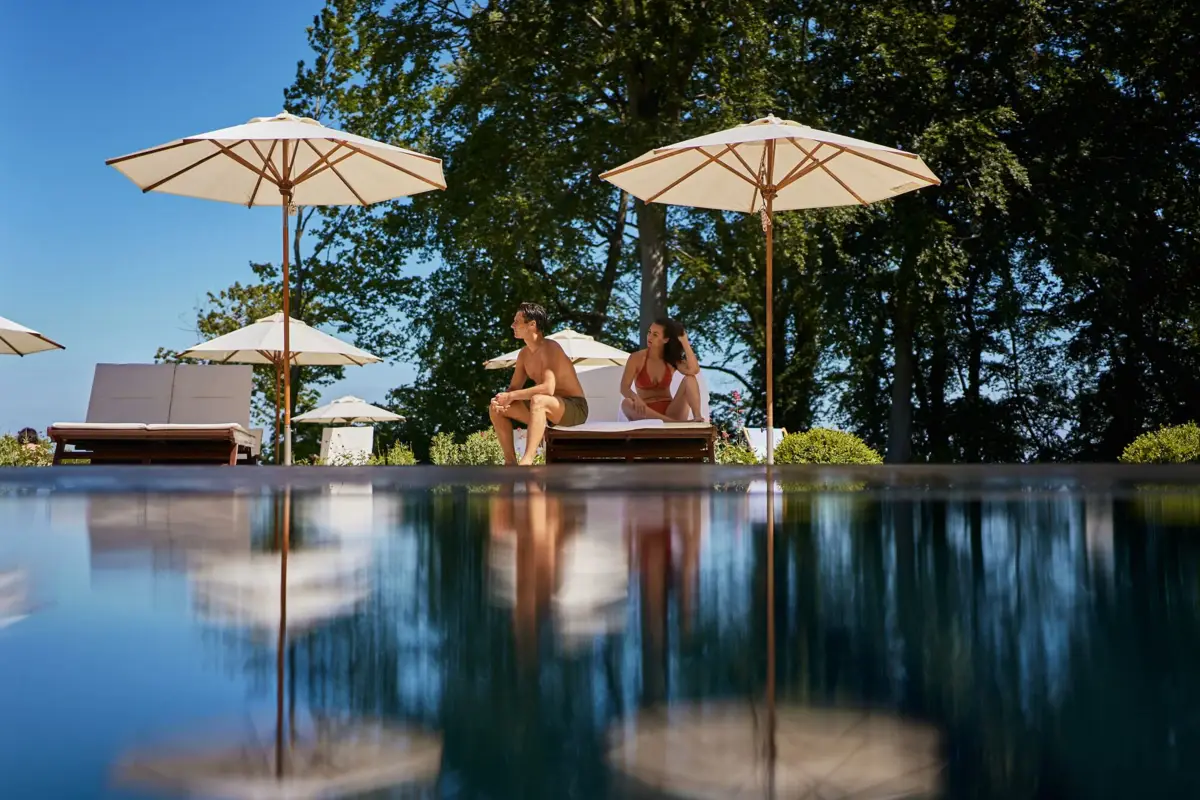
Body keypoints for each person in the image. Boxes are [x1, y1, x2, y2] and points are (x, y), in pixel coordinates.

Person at [489, 302, 589, 466]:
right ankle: (510, 463)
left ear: (532, 325)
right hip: (545, 411)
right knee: (496, 408)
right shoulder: (523, 354)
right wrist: (502, 398)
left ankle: (527, 461)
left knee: (538, 400)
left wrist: (512, 395)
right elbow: (513, 388)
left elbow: (548, 388)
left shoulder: (551, 348)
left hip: (574, 408)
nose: (512, 325)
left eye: (517, 321)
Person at [619, 318, 703, 421]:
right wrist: (636, 398)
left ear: (665, 339)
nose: (649, 337)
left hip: (671, 412)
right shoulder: (637, 358)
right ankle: (672, 424)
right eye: (649, 332)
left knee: (690, 378)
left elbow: (694, 370)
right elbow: (624, 388)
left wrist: (684, 341)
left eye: (655, 334)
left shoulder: (671, 360)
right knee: (626, 403)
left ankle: (697, 418)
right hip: (647, 413)